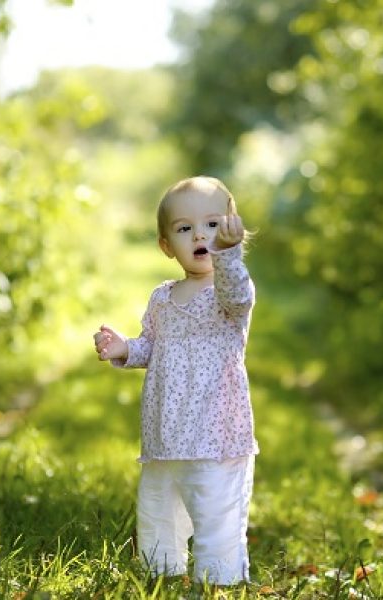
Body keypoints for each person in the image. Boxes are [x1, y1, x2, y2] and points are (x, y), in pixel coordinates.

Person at [92, 176, 258, 586]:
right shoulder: (162, 298)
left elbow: (239, 295)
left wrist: (228, 256)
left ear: (232, 232)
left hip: (216, 431)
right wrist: (125, 349)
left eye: (213, 225)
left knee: (215, 508)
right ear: (167, 245)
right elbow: (154, 347)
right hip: (165, 433)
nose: (200, 235)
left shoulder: (228, 291)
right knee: (158, 508)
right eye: (185, 229)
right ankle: (159, 574)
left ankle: (218, 580)